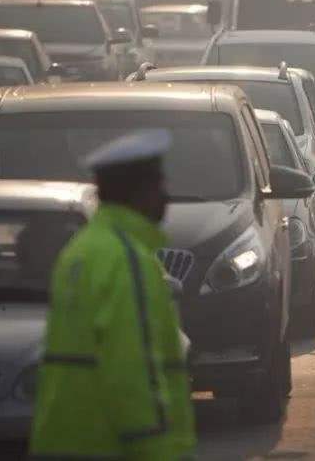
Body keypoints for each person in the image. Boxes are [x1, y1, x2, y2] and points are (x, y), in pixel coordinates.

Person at [29, 129, 196, 460]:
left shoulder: (80, 251)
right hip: (115, 446)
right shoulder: (128, 260)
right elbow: (132, 370)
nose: (165, 196)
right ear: (136, 192)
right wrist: (158, 450)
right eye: (158, 185)